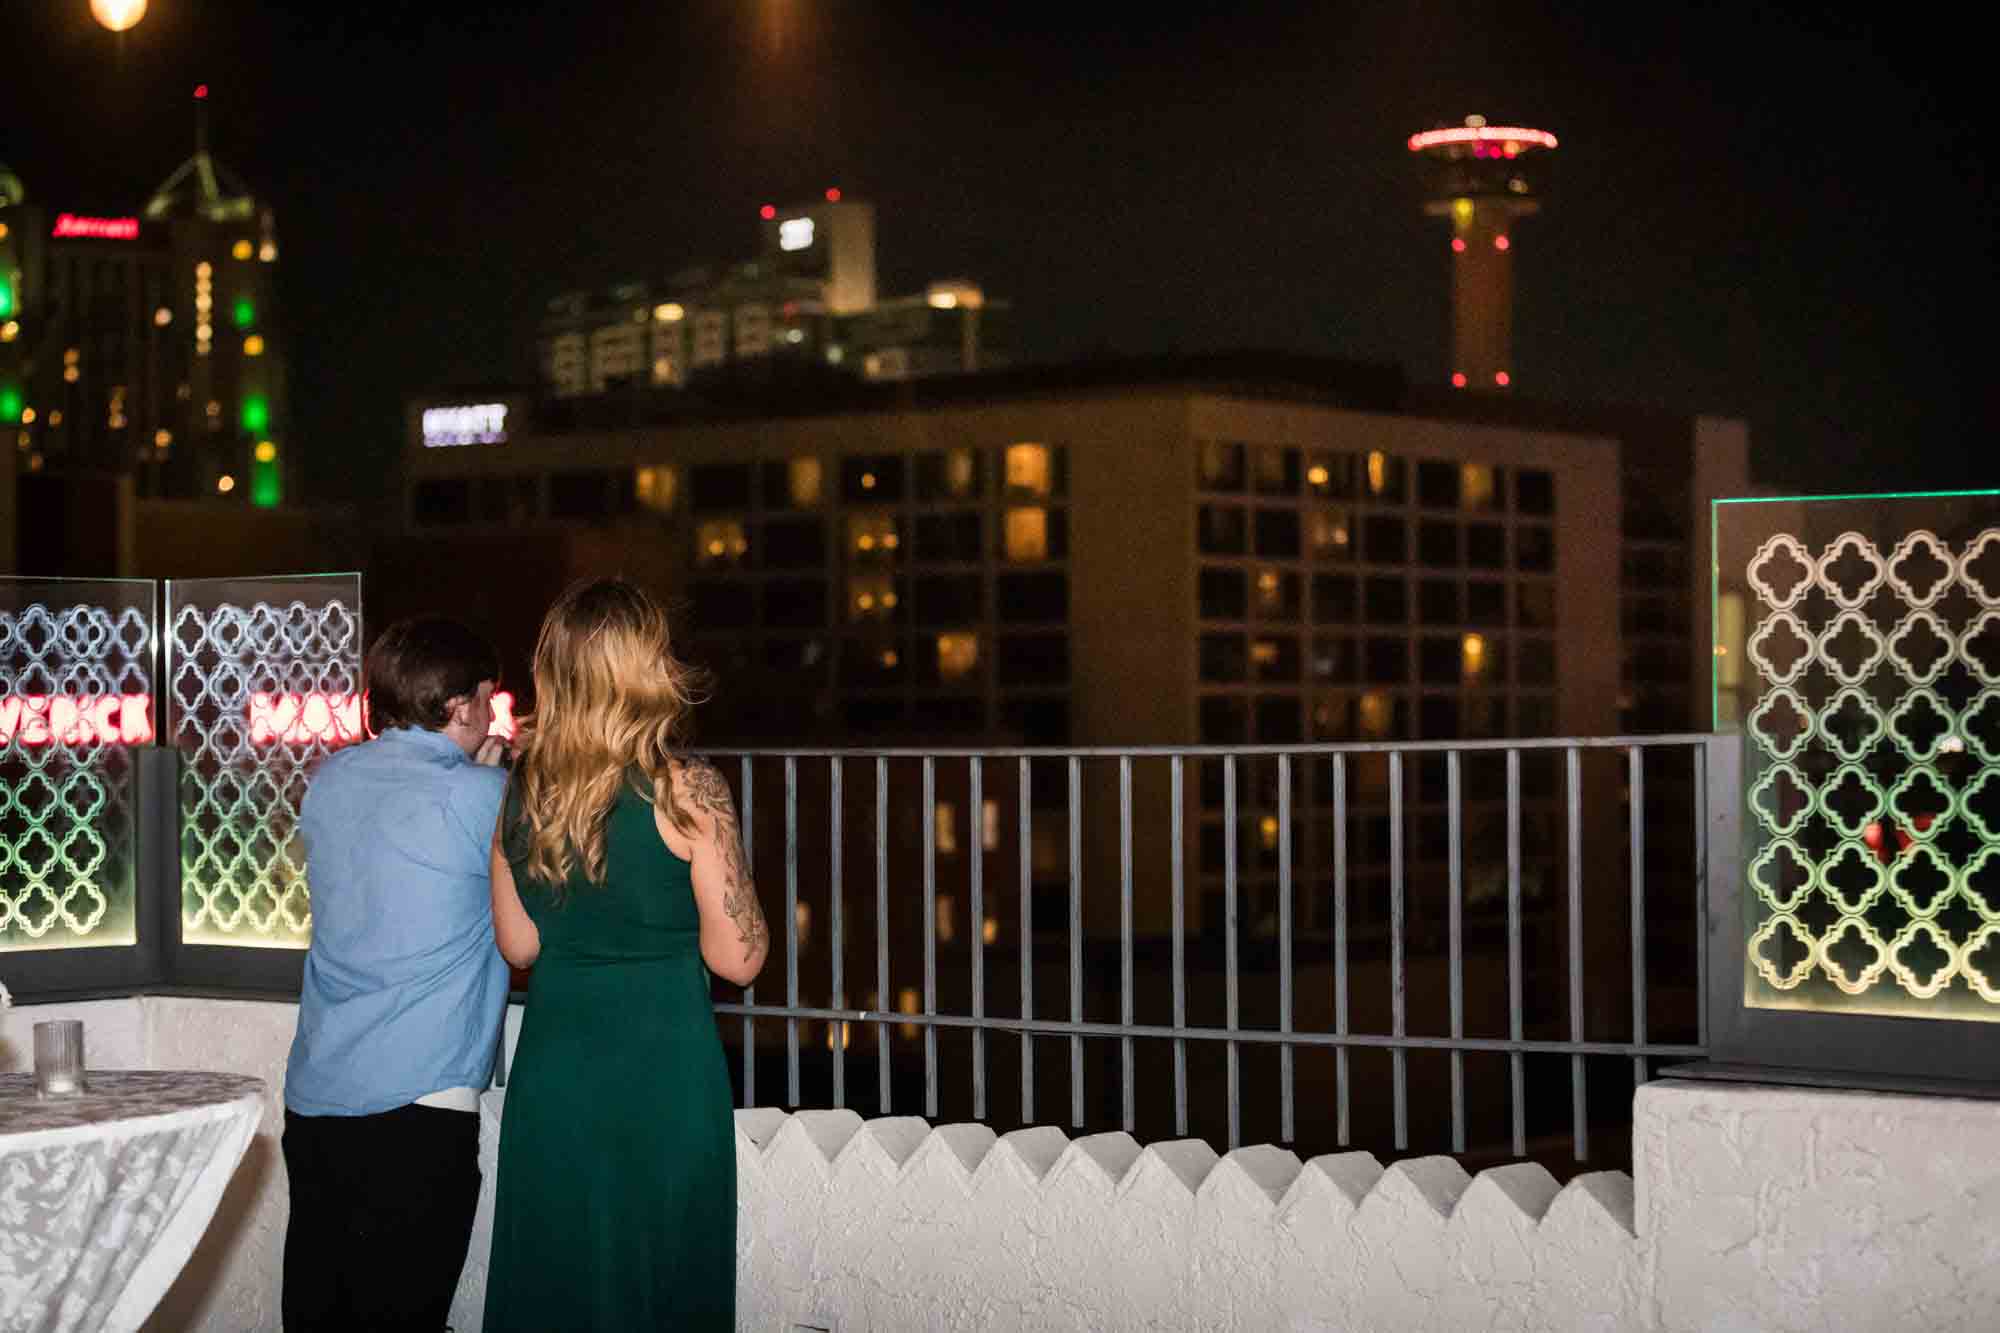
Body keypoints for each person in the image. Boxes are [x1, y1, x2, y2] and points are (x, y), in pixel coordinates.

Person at [483, 577, 767, 1332]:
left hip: (556, 1079)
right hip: (663, 1078)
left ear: (557, 674)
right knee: (662, 1283)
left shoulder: (522, 794)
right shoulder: (691, 793)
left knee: (558, 1287)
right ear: (649, 667)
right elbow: (739, 959)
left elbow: (520, 943)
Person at [281, 616, 509, 1332]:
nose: (492, 712)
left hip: (317, 1101)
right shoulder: (483, 798)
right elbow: (530, 913)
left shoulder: (331, 778)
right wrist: (496, 782)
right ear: (461, 706)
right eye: (488, 698)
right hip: (420, 1107)